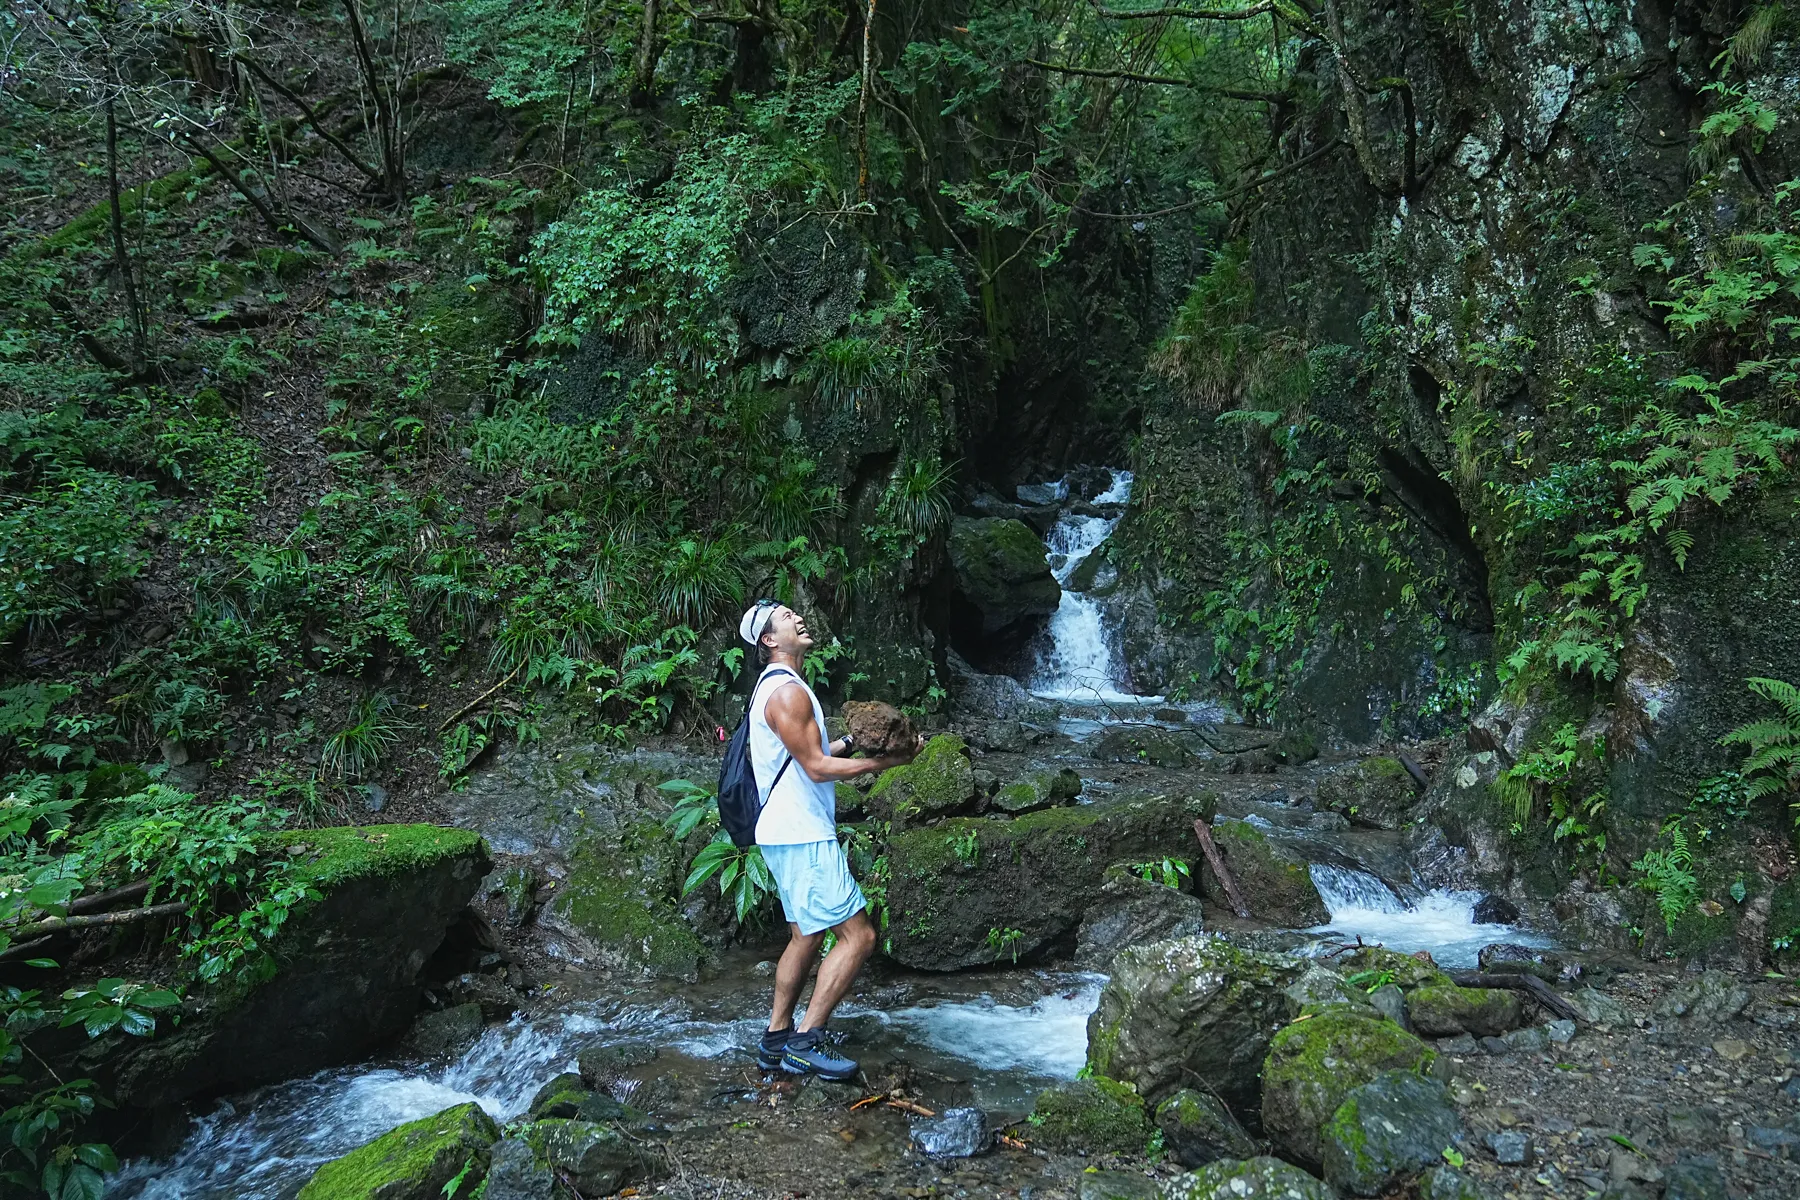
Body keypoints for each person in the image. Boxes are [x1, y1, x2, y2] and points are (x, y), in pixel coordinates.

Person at [738, 598, 918, 1080]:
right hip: (801, 832)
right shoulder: (787, 695)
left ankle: (776, 1039)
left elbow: (809, 754)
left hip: (782, 830)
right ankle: (806, 1039)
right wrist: (888, 764)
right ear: (770, 641)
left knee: (806, 935)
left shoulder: (780, 689)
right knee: (858, 937)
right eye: (785, 618)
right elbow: (817, 769)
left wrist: (859, 745)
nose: (798, 617)